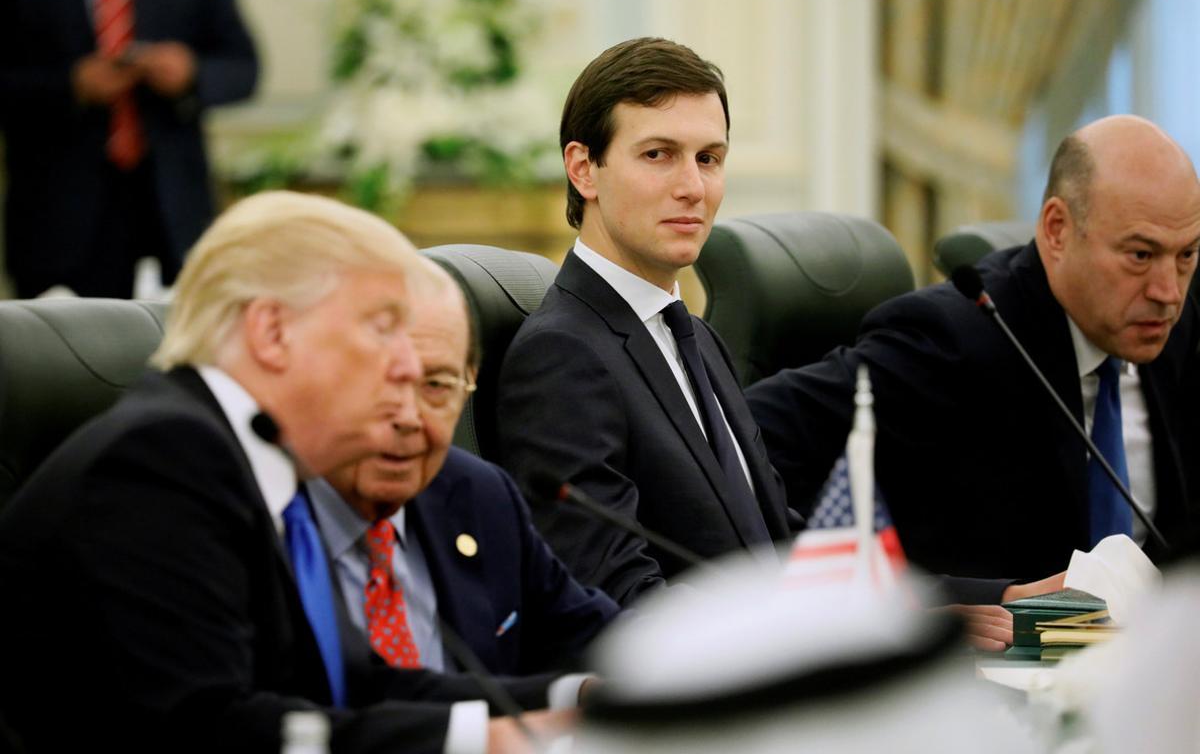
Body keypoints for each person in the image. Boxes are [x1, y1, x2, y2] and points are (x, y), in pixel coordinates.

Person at [0, 192, 571, 754]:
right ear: (272, 332)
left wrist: (578, 699)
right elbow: (207, 725)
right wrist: (485, 742)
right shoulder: (162, 457)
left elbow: (355, 684)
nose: (405, 367)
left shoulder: (262, 463)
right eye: (381, 328)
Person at [747, 115, 1200, 601]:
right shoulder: (950, 341)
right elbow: (739, 444)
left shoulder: (1175, 323)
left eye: (1187, 254)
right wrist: (949, 599)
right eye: (1139, 255)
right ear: (1057, 229)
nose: (1167, 291)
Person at [497, 38, 794, 607]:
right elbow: (613, 593)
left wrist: (931, 601)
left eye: (709, 158)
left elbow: (771, 536)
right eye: (658, 154)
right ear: (584, 169)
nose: (693, 187)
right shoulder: (563, 354)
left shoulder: (696, 336)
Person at [308, 260, 620, 680]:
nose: (408, 416)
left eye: (436, 385)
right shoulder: (269, 519)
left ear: (468, 383)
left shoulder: (478, 493)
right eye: (383, 382)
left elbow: (590, 631)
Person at [0, 0, 259, 298]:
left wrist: (190, 72)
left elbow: (242, 66)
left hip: (173, 215)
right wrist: (69, 86)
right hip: (57, 221)